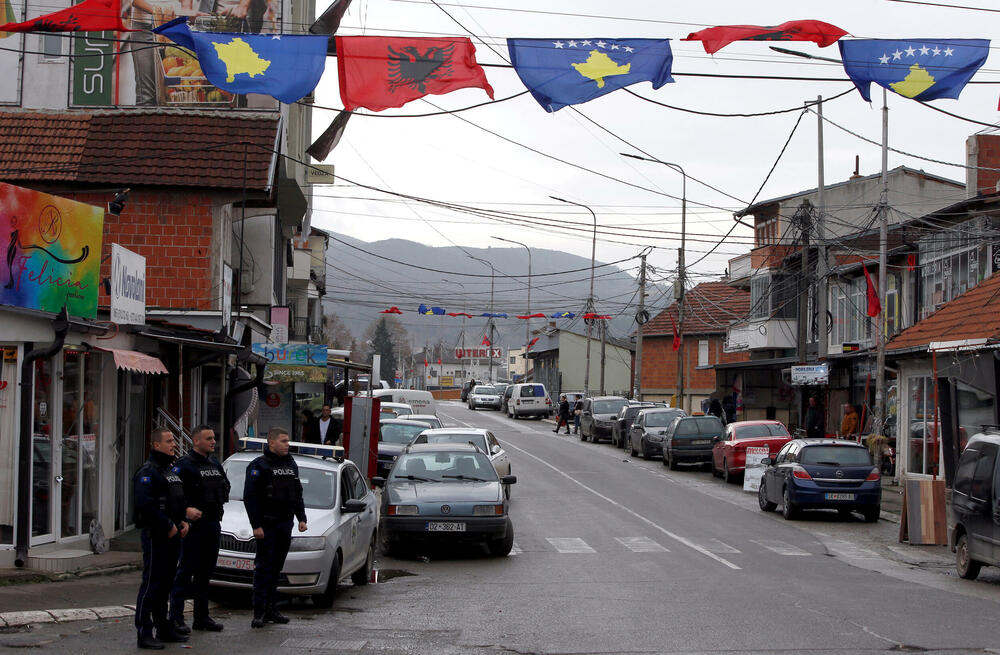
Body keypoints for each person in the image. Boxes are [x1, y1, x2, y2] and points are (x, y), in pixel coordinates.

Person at [243, 427, 308, 628]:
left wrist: (302, 518)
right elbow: (250, 497)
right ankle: (259, 612)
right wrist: (256, 525)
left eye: (288, 441)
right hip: (267, 524)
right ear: (271, 443)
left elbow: (297, 493)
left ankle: (272, 609)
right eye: (283, 441)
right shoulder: (259, 466)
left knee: (277, 568)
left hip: (284, 524)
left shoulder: (291, 464)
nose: (287, 444)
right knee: (263, 568)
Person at [168, 425, 230, 635]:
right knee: (185, 572)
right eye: (209, 438)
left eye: (214, 438)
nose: (213, 441)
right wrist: (185, 510)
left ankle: (201, 618)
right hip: (192, 528)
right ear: (196, 441)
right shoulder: (183, 466)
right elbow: (171, 496)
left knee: (205, 574)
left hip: (212, 524)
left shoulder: (215, 464)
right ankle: (175, 618)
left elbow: (224, 488)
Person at [133, 428, 189, 650]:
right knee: (151, 585)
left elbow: (177, 501)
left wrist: (183, 521)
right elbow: (145, 506)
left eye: (173, 441)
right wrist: (167, 525)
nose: (173, 444)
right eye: (168, 441)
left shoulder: (169, 471)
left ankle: (163, 628)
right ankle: (144, 633)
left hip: (173, 535)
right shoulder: (148, 472)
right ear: (156, 445)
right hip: (157, 536)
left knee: (166, 584)